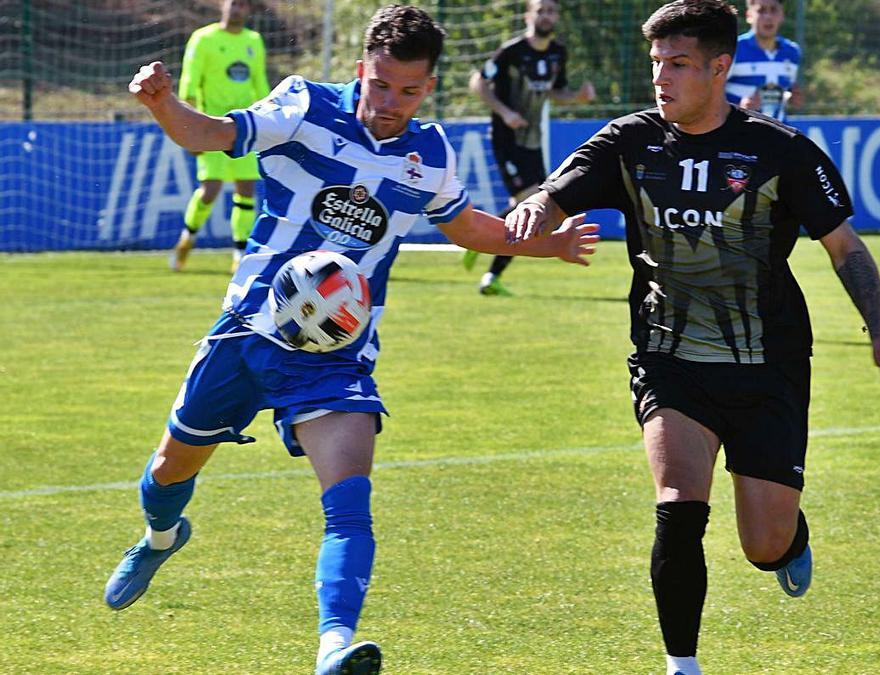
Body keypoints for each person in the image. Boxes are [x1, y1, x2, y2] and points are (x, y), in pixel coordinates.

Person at [105, 6, 597, 674]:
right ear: (362, 68)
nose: (392, 102)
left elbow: (468, 227)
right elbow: (213, 134)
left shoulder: (430, 153)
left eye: (410, 90)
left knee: (349, 499)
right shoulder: (303, 105)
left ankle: (334, 642)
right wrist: (165, 104)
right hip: (250, 327)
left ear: (428, 87)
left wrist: (546, 243)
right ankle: (161, 535)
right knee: (169, 470)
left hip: (335, 353)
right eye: (382, 84)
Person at [506, 2, 880, 673]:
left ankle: (787, 541)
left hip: (768, 365)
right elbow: (557, 191)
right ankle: (682, 664)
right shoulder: (629, 143)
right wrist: (534, 212)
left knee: (764, 542)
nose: (662, 78)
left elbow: (845, 247)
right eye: (657, 63)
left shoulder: (780, 151)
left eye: (679, 64)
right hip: (670, 361)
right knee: (677, 504)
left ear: (721, 67)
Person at [460, 0, 595, 296]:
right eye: (540, 10)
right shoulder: (512, 51)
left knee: (535, 206)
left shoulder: (559, 53)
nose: (546, 16)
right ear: (528, 15)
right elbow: (477, 82)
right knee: (533, 204)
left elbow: (556, 93)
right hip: (508, 139)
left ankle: (482, 242)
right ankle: (491, 275)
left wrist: (578, 97)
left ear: (557, 16)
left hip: (533, 141)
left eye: (551, 11)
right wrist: (505, 112)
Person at [170, 0, 270, 273]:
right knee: (210, 190)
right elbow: (190, 83)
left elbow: (259, 83)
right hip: (210, 125)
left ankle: (240, 254)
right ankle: (187, 238)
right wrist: (189, 130)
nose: (237, 9)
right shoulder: (203, 39)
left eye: (243, 5)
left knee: (246, 189)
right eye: (233, 3)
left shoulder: (254, 40)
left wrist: (268, 118)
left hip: (244, 126)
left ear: (248, 11)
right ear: (223, 6)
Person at [724, 0, 804, 122]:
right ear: (749, 15)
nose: (768, 16)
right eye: (761, 11)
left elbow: (782, 91)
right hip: (740, 132)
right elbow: (711, 91)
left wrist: (791, 98)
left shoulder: (792, 51)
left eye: (773, 10)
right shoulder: (733, 48)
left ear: (782, 15)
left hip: (780, 133)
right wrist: (739, 107)